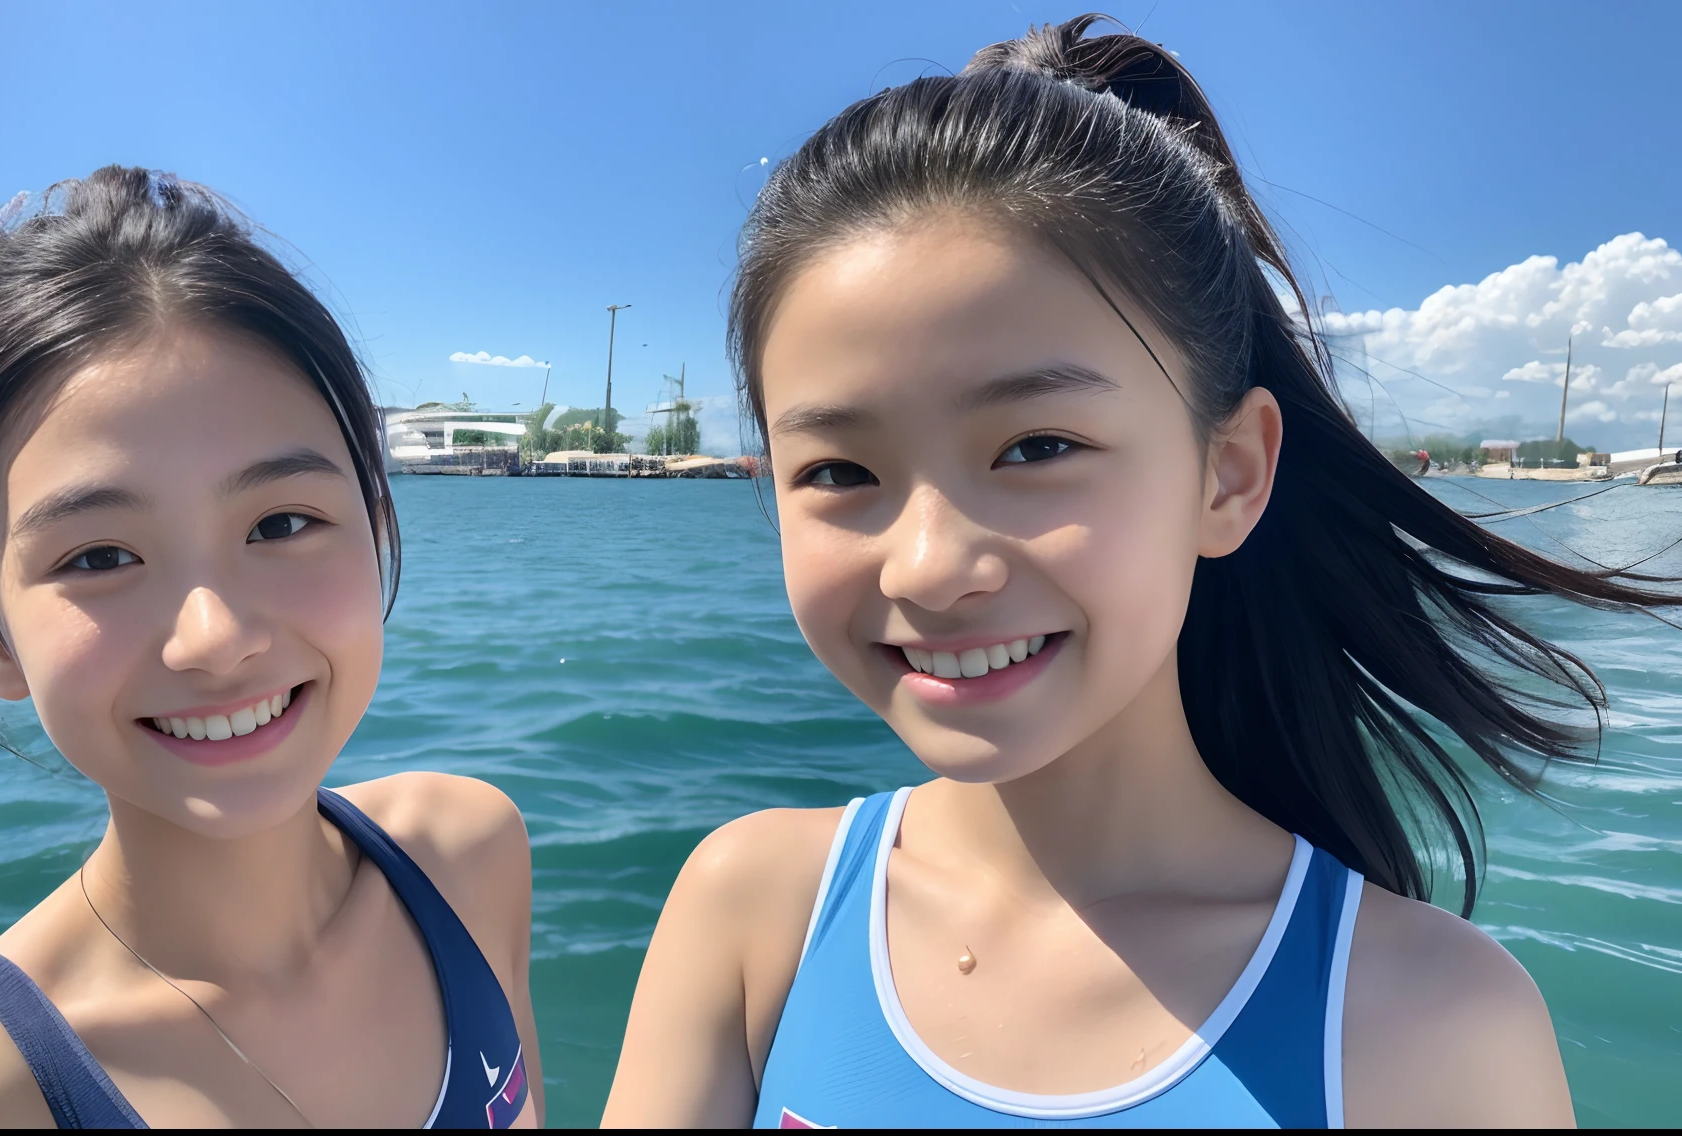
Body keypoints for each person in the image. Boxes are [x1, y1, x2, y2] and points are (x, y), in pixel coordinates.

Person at [604, 17, 1674, 1128]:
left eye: (1034, 447)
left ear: (1226, 474)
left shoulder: (1428, 1019)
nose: (928, 567)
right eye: (836, 469)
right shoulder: (753, 912)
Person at [0, 167, 541, 1128]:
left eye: (281, 524)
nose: (216, 638)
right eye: (101, 555)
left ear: (377, 535)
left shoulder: (467, 856)